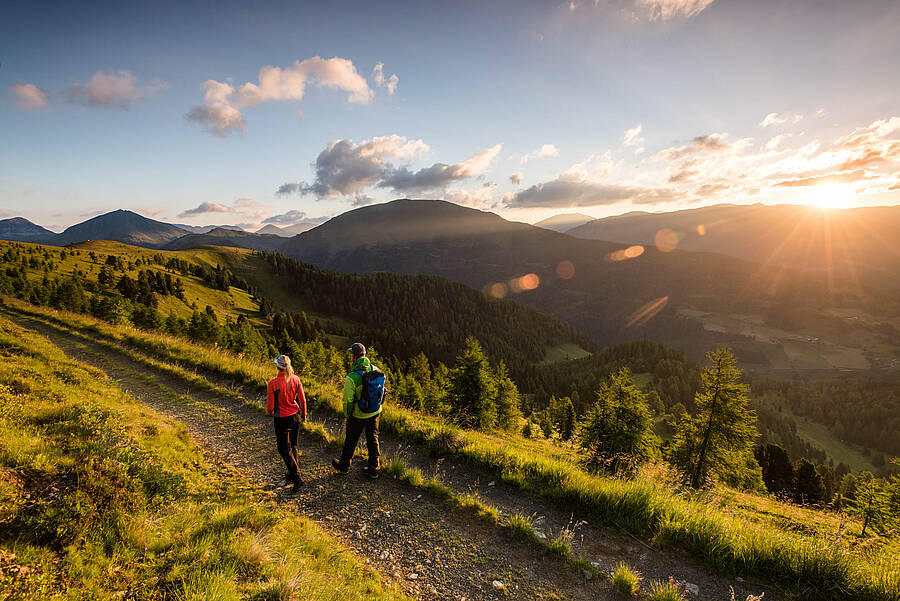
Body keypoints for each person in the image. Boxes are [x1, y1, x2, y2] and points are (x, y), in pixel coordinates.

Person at [332, 342, 383, 479]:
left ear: (354, 356)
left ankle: (344, 466)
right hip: (375, 411)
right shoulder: (375, 368)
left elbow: (347, 401)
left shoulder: (352, 377)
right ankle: (374, 468)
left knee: (351, 439)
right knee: (373, 438)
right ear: (364, 355)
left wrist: (348, 414)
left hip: (358, 414)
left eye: (351, 354)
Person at [267, 354, 307, 493]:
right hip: (295, 416)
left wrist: (270, 411)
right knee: (293, 445)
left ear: (277, 366)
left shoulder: (273, 383)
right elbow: (302, 400)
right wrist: (304, 414)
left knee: (283, 448)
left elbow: (270, 407)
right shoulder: (295, 379)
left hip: (281, 418)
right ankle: (293, 472)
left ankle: (297, 478)